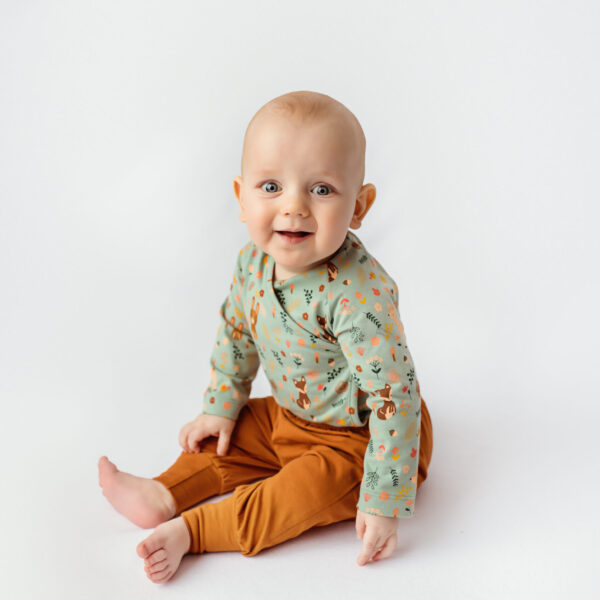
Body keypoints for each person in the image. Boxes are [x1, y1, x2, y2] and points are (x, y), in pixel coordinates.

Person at [98, 90, 434, 583]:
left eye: (322, 189)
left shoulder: (358, 297)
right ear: (242, 197)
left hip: (359, 442)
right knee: (228, 436)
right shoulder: (252, 263)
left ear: (359, 206)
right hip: (289, 415)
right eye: (272, 186)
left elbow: (394, 397)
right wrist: (221, 405)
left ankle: (195, 531)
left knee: (295, 494)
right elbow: (237, 332)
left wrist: (383, 499)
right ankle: (164, 492)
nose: (294, 207)